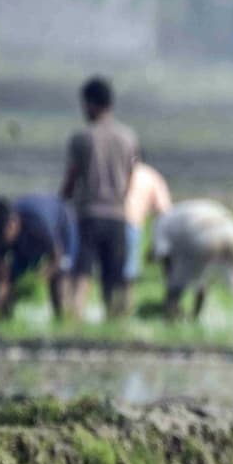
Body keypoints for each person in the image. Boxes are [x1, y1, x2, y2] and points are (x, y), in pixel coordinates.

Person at [60, 76, 138, 320]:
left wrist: (63, 199)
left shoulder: (82, 137)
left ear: (91, 104)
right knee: (114, 276)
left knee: (82, 273)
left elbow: (72, 176)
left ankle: (73, 320)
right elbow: (131, 175)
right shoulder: (128, 137)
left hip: (89, 213)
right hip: (118, 215)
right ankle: (116, 324)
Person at [150, 199, 233, 327]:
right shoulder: (179, 213)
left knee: (175, 286)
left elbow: (164, 256)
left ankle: (170, 320)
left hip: (201, 232)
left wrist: (172, 286)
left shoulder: (160, 223)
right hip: (232, 229)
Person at [0, 195, 78, 321]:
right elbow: (1, 278)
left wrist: (36, 280)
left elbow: (56, 260)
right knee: (13, 280)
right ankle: (3, 318)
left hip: (62, 224)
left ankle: (64, 317)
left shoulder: (38, 227)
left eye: (2, 236)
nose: (0, 242)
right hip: (27, 241)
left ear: (12, 224)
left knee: (60, 276)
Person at [122, 161, 173, 310]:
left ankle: (112, 307)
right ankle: (125, 307)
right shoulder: (149, 175)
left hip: (110, 219)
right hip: (131, 222)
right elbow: (164, 210)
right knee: (128, 272)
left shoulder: (115, 169)